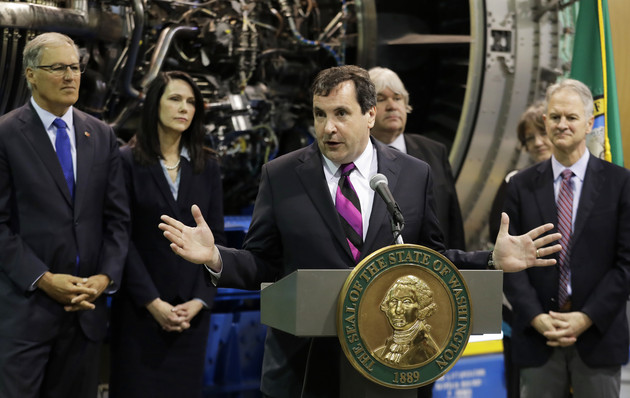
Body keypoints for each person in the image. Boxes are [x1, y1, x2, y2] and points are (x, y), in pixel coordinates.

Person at [159, 65, 562, 398]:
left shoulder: (412, 175)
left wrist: (491, 260)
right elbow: (263, 263)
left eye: (340, 113)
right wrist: (215, 257)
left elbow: (428, 261)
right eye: (319, 114)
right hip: (306, 369)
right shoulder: (281, 175)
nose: (328, 128)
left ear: (369, 115)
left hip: (391, 370)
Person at [0, 32, 129, 397]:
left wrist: (105, 276)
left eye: (75, 67)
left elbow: (118, 219)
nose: (70, 76)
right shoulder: (6, 135)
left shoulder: (101, 135)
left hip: (85, 313)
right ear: (30, 74)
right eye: (58, 68)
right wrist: (42, 278)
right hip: (25, 315)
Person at [502, 79, 630, 398]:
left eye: (571, 118)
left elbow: (626, 265)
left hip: (597, 336)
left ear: (589, 123)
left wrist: (586, 317)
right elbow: (509, 263)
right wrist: (537, 318)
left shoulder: (620, 183)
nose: (562, 124)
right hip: (537, 339)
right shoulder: (520, 186)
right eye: (555, 117)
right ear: (545, 121)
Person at [108, 71, 226, 398]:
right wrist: (152, 302)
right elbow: (122, 238)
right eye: (175, 99)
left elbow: (216, 239)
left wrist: (202, 300)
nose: (184, 107)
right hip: (139, 312)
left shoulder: (208, 165)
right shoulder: (125, 162)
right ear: (153, 106)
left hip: (191, 315)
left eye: (190, 102)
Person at [489, 100, 553, 398]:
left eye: (542, 133)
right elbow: (499, 246)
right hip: (521, 314)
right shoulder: (514, 184)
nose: (538, 143)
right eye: (530, 138)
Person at [369, 67, 465, 249]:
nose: (392, 106)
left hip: (431, 265)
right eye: (380, 99)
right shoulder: (356, 159)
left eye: (397, 98)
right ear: (367, 111)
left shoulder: (435, 151)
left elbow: (453, 224)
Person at [375, 275, 439, 366]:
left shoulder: (428, 353)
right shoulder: (378, 354)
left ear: (421, 308)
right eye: (394, 301)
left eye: (407, 302)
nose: (398, 310)